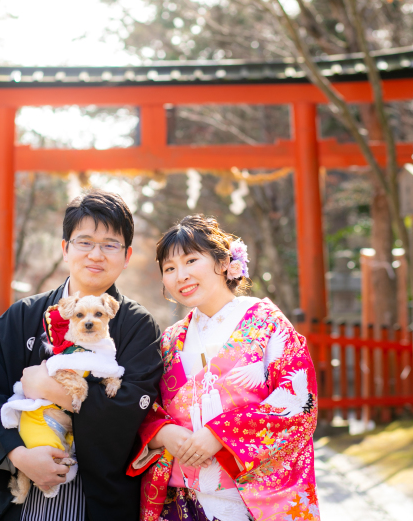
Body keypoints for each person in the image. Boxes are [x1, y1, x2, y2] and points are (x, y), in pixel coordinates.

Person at [0, 189, 163, 521]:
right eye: (85, 242)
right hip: (20, 487)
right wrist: (19, 455)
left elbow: (133, 405)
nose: (96, 255)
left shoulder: (139, 325)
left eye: (110, 245)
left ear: (127, 255)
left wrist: (51, 390)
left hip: (95, 493)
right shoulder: (21, 316)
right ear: (65, 248)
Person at [127, 215, 319, 521]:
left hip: (248, 500)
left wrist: (220, 434)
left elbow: (299, 402)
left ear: (223, 261)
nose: (181, 276)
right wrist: (163, 432)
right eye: (169, 268)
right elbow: (143, 405)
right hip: (181, 500)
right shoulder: (170, 340)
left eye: (191, 260)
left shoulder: (266, 322)